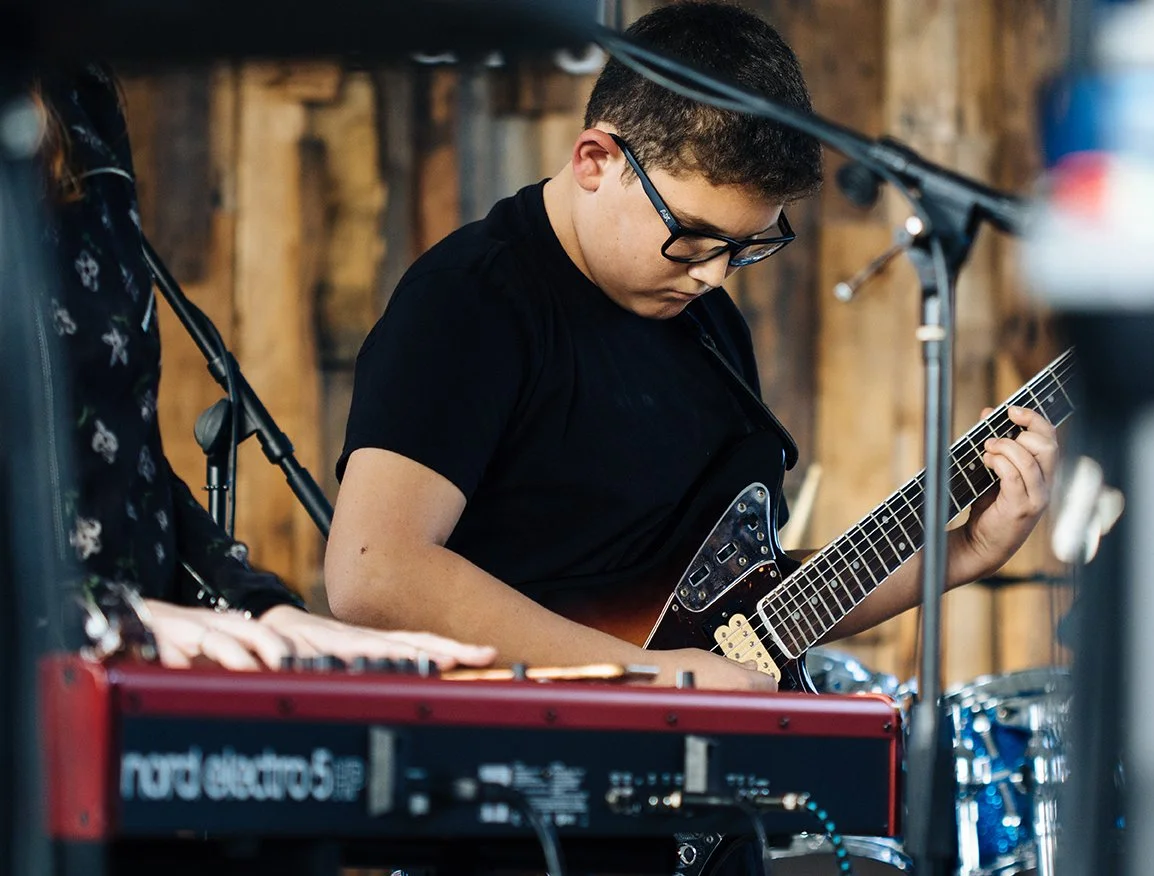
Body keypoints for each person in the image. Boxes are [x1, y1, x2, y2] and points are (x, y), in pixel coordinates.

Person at [325, 1, 1058, 691]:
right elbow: (375, 571)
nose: (711, 273)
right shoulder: (472, 300)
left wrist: (963, 553)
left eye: (743, 246)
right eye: (692, 236)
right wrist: (650, 679)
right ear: (594, 161)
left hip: (694, 797)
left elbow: (746, 621)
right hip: (528, 799)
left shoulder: (705, 323)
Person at [33, 64, 496, 672]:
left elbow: (116, 457)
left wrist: (260, 609)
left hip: (102, 682)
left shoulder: (77, 92)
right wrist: (96, 617)